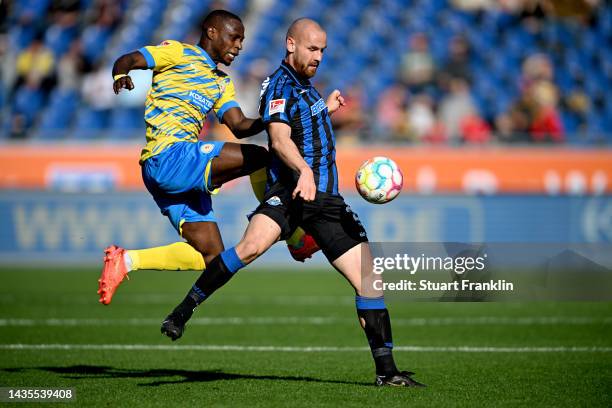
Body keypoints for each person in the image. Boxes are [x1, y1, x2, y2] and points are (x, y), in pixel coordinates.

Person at [161, 18, 425, 388]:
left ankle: (388, 373)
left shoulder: (305, 86)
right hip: (289, 192)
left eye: (322, 51)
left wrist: (325, 109)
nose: (318, 57)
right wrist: (302, 171)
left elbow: (302, 125)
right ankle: (182, 311)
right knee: (249, 249)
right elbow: (280, 138)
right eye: (312, 49)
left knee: (369, 281)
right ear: (291, 45)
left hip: (325, 201)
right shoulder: (279, 85)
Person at [98, 10, 320, 306]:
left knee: (211, 257)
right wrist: (121, 74)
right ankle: (289, 233)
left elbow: (239, 125)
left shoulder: (220, 82)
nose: (239, 46)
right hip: (169, 155)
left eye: (242, 40)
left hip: (173, 172)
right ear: (212, 32)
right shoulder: (177, 53)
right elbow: (128, 60)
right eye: (234, 37)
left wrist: (274, 117)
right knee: (261, 157)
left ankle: (125, 260)